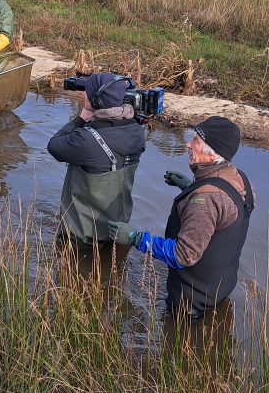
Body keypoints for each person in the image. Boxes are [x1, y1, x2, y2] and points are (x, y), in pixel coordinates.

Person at [108, 116, 254, 317]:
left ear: (213, 155)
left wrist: (136, 238)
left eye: (195, 141)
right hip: (222, 287)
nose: (187, 144)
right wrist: (189, 186)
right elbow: (225, 213)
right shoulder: (241, 179)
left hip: (190, 302)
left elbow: (183, 256)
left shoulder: (206, 199)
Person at [47, 72, 146, 247]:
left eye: (87, 91)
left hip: (82, 238)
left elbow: (54, 146)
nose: (84, 94)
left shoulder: (87, 140)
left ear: (97, 101)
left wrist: (80, 119)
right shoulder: (137, 131)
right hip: (118, 233)